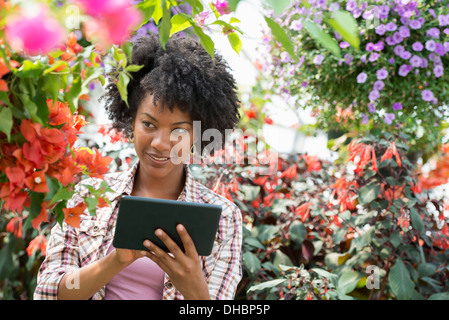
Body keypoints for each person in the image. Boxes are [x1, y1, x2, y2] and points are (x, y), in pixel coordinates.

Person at [33, 34, 243, 300]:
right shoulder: (89, 197)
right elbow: (51, 293)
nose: (160, 143)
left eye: (179, 131)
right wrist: (115, 261)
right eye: (149, 124)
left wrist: (194, 289)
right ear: (131, 120)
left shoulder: (224, 219)